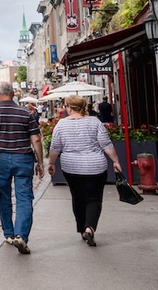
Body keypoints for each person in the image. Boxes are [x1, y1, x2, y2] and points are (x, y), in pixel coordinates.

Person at [0, 81, 45, 255]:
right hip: (23, 158)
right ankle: (21, 235)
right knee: (24, 197)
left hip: (1, 158)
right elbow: (36, 139)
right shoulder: (25, 113)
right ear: (14, 94)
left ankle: (8, 234)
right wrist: (40, 162)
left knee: (4, 196)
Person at [47, 95, 122, 247]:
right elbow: (106, 144)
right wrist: (116, 161)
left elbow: (55, 147)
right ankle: (90, 227)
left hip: (71, 167)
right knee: (94, 198)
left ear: (68, 107)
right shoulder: (94, 122)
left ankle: (82, 230)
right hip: (95, 167)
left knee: (77, 197)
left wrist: (51, 163)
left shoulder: (61, 124)